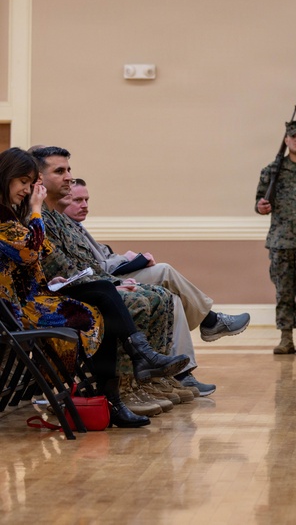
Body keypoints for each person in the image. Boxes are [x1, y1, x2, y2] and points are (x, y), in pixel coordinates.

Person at [0, 148, 188, 427]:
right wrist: (37, 210)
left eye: (30, 183)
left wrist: (56, 280)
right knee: (94, 309)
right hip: (17, 307)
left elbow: (40, 255)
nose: (28, 190)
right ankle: (131, 373)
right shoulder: (7, 215)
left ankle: (122, 388)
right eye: (23, 182)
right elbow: (30, 250)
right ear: (6, 177)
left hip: (38, 293)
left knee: (101, 299)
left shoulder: (14, 214)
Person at [61, 173, 250, 395]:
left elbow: (102, 257)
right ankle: (210, 320)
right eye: (78, 201)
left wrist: (129, 258)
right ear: (64, 199)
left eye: (87, 200)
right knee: (164, 270)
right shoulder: (63, 226)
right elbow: (97, 266)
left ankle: (182, 374)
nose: (85, 206)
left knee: (173, 297)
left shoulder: (77, 227)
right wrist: (129, 261)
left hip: (107, 277)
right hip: (99, 283)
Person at [255, 119, 296, 355]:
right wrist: (261, 206)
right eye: (292, 136)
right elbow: (260, 201)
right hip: (281, 240)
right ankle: (285, 337)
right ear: (286, 140)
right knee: (283, 291)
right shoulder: (273, 169)